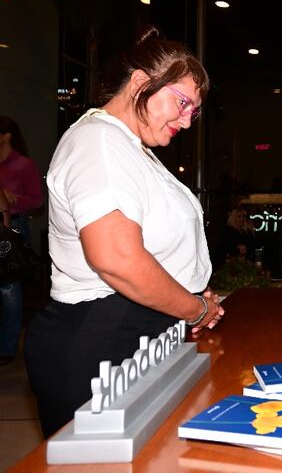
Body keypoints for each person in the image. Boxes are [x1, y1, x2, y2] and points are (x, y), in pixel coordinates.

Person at [24, 27, 224, 438]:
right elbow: (117, 259)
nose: (187, 121)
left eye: (194, 111)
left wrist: (188, 298)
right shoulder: (98, 142)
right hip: (102, 338)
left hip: (130, 331)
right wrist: (195, 309)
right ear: (139, 83)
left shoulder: (128, 146)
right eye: (182, 102)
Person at [0, 116, 43, 366]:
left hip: (12, 227)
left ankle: (7, 347)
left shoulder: (23, 165)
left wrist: (13, 198)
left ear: (6, 136)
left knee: (8, 289)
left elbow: (36, 201)